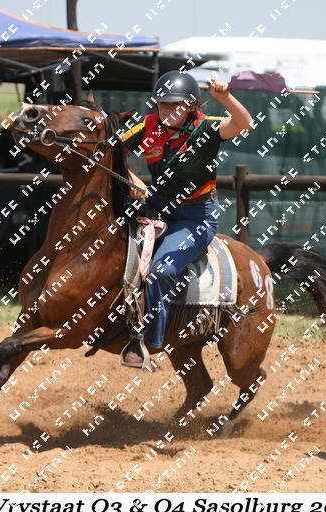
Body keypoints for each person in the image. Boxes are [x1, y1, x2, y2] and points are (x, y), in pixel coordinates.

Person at [119, 71, 253, 367]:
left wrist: (224, 97)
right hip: (155, 206)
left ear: (192, 105)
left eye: (175, 104)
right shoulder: (147, 126)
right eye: (162, 104)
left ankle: (148, 343)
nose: (168, 110)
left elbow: (244, 123)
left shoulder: (206, 128)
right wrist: (133, 182)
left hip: (196, 217)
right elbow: (112, 153)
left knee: (162, 271)